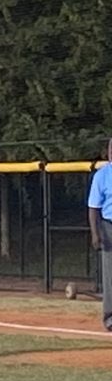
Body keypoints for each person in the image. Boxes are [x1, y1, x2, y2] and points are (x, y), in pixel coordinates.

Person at [87, 139, 112, 331]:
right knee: (110, 274)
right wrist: (95, 234)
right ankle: (110, 317)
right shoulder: (102, 175)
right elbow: (93, 207)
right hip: (108, 225)